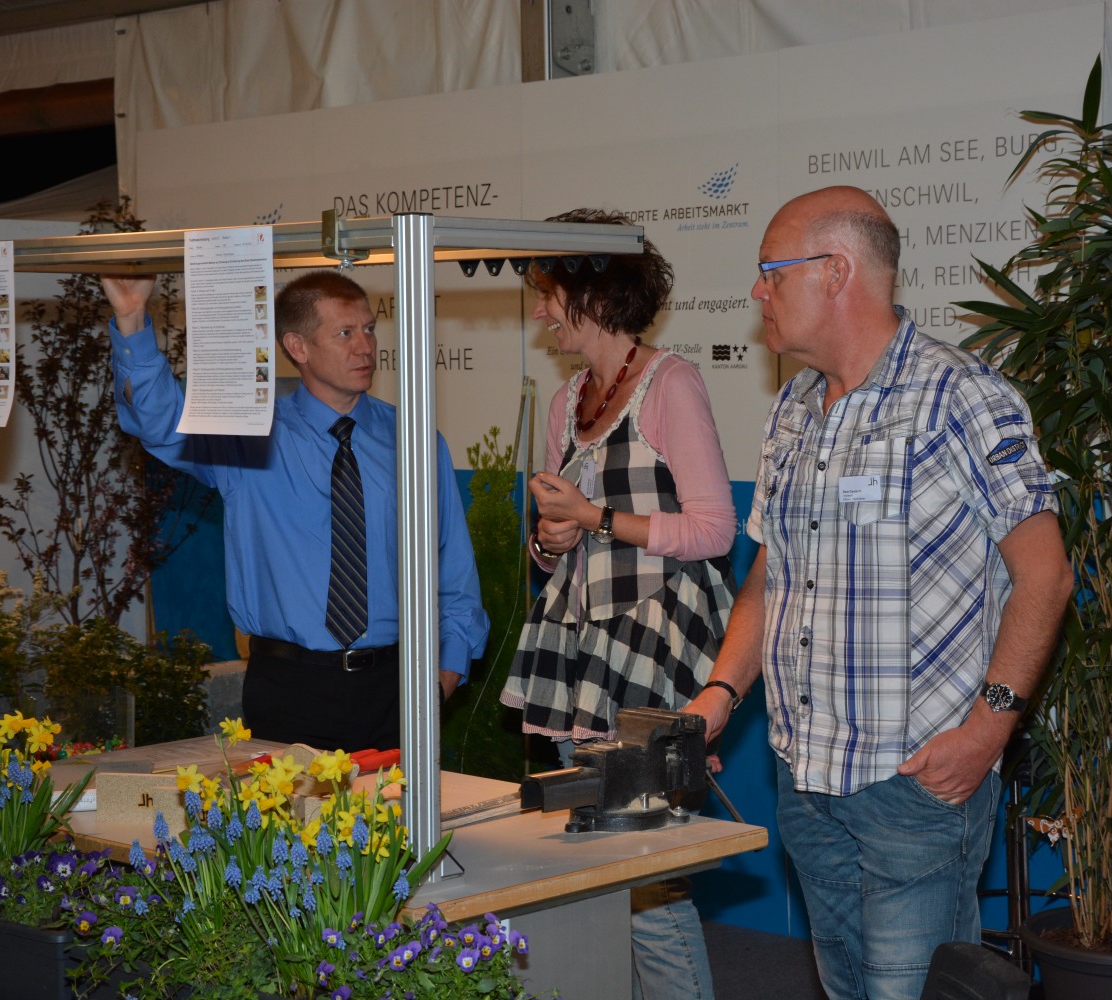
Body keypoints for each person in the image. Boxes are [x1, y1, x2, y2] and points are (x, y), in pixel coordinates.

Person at [685, 186, 1073, 1000]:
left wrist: (988, 731)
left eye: (771, 272)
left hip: (915, 787)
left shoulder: (959, 396)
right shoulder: (792, 408)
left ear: (836, 272)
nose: (757, 292)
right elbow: (772, 573)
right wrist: (722, 691)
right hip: (805, 780)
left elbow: (1046, 574)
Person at [500, 208, 737, 1000]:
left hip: (656, 651)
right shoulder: (567, 400)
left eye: (549, 292)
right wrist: (552, 540)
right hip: (581, 652)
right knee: (595, 866)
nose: (541, 311)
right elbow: (554, 548)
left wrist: (595, 517)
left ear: (595, 293)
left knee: (646, 879)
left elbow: (713, 530)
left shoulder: (671, 384)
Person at [102, 271, 489, 753]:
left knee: (401, 808)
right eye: (345, 333)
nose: (365, 347)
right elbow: (158, 421)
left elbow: (453, 571)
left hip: (397, 687)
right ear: (297, 346)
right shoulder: (249, 437)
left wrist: (442, 679)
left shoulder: (414, 440)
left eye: (369, 329)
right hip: (289, 690)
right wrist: (132, 318)